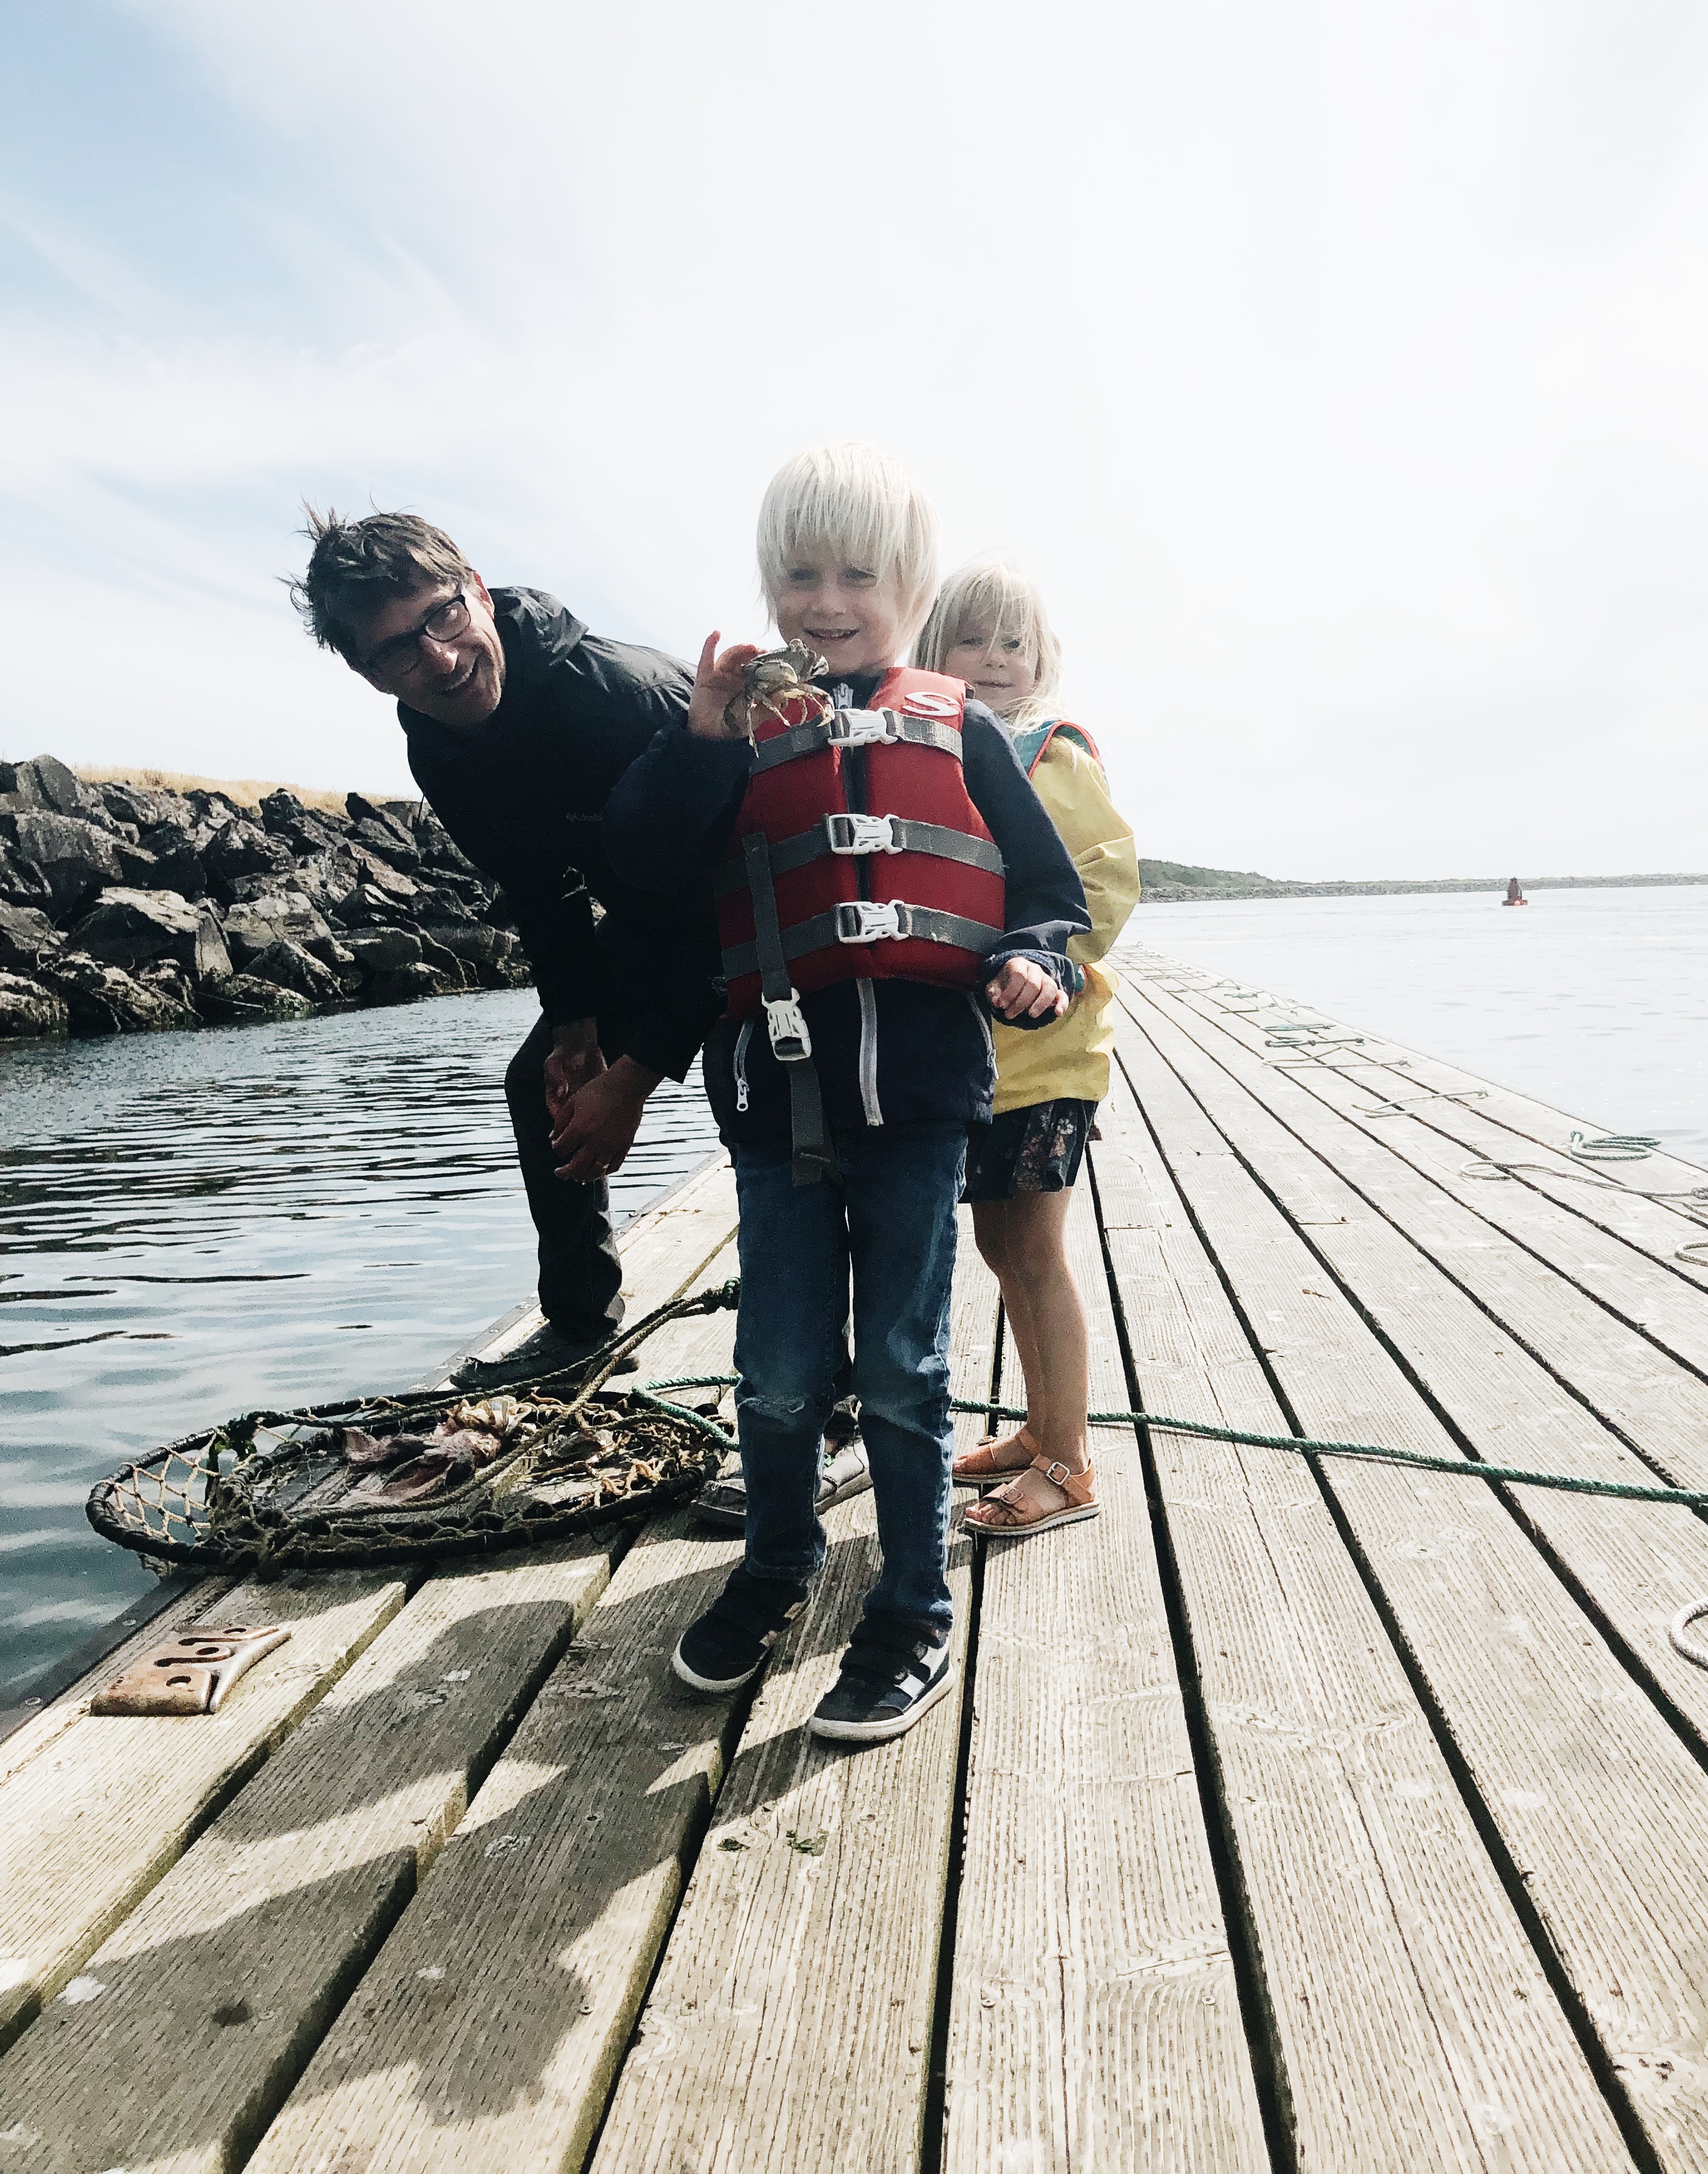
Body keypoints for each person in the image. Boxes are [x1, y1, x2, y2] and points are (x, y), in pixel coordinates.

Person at [603, 443, 1089, 1744]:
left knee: (903, 1374)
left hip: (922, 1108)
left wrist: (1034, 961)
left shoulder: (965, 728)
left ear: (907, 587)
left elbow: (1048, 897)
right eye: (797, 575)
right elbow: (647, 867)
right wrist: (703, 742)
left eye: (855, 575)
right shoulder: (735, 730)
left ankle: (914, 1604)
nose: (824, 600)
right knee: (773, 1376)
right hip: (774, 1109)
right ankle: (778, 1563)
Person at [290, 509, 724, 1388]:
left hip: (774, 898)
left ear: (478, 590)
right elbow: (541, 884)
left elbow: (718, 913)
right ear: (366, 674)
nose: (440, 660)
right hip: (653, 910)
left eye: (442, 616)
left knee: (773, 1105)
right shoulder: (438, 743)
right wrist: (577, 1036)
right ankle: (578, 1332)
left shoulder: (612, 695)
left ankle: (835, 1390)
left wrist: (633, 1081)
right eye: (397, 652)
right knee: (540, 1081)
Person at [915, 559, 1139, 1537]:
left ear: (1042, 657)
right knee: (1000, 1243)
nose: (997, 659)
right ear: (934, 652)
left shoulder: (1054, 754)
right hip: (980, 1062)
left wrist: (1054, 967)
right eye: (974, 640)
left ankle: (1072, 1463)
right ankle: (1041, 1431)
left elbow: (1106, 882)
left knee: (1036, 1251)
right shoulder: (935, 745)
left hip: (1049, 1057)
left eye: (1015, 643)